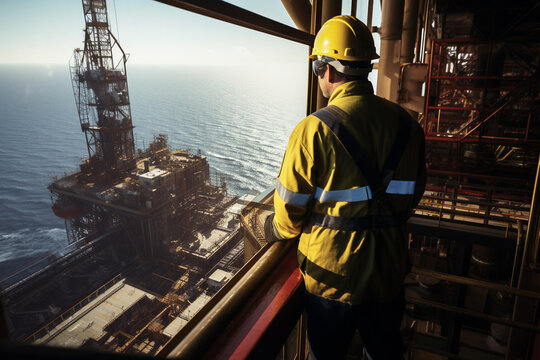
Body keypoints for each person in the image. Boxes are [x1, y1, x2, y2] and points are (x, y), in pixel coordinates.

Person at [264, 15, 427, 359]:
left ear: (328, 70)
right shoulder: (408, 127)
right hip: (388, 273)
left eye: (317, 70)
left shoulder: (313, 131)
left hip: (332, 280)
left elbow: (289, 214)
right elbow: (412, 195)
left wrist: (272, 228)